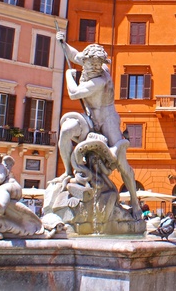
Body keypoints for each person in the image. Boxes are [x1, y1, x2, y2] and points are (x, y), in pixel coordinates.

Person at [54, 32, 141, 219]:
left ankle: (135, 202)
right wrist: (62, 41)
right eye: (91, 63)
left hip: (107, 119)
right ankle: (69, 172)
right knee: (67, 131)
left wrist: (70, 75)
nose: (94, 67)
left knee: (121, 163)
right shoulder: (85, 63)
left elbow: (74, 93)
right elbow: (73, 54)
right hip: (89, 118)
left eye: (98, 64)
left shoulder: (100, 80)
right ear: (85, 61)